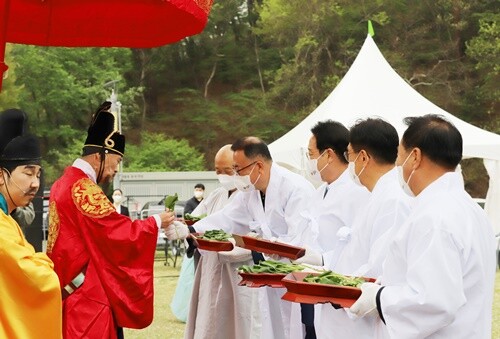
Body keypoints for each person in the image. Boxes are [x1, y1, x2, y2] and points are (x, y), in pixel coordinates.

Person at [350, 114, 496, 338]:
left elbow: (432, 301)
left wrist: (378, 298)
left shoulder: (435, 218)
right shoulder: (469, 209)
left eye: (400, 156)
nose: (397, 165)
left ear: (415, 156)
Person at [47, 102, 175, 339]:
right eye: (115, 162)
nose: (115, 170)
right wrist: (156, 222)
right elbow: (116, 232)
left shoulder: (62, 183)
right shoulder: (83, 189)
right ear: (99, 155)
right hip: (87, 296)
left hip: (69, 288)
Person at [166, 136, 315, 339]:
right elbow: (226, 218)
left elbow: (300, 240)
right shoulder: (250, 193)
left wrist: (268, 247)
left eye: (238, 169)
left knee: (295, 328)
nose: (236, 175)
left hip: (293, 275)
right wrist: (190, 230)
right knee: (270, 327)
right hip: (267, 276)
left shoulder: (295, 188)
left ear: (259, 166)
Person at [295, 118, 412, 338]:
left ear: (364, 157)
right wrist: (323, 265)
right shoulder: (376, 195)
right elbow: (354, 251)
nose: (347, 162)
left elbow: (380, 269)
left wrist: (328, 281)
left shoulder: (393, 200)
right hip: (344, 309)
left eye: (349, 155)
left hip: (361, 316)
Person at [298, 120, 370, 338]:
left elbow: (360, 246)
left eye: (311, 154)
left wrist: (322, 259)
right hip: (316, 288)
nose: (309, 161)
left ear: (328, 154)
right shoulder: (320, 192)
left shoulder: (357, 191)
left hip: (344, 290)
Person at [0, 108, 62, 338]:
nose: (35, 183)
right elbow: (41, 280)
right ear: (1, 175)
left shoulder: (7, 219)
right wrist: (44, 262)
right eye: (28, 173)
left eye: (38, 174)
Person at [184, 144, 255, 339]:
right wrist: (189, 231)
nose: (222, 176)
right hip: (210, 265)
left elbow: (253, 234)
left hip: (237, 270)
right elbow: (197, 221)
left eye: (228, 171)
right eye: (218, 171)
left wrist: (228, 246)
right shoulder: (216, 195)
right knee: (209, 317)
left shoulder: (250, 195)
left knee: (235, 319)